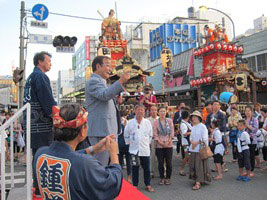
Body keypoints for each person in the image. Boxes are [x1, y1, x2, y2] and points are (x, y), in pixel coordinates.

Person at [33, 104, 122, 200]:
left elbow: (68, 157)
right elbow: (112, 184)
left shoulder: (40, 154)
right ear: (82, 131)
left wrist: (94, 149)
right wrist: (113, 153)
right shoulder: (84, 163)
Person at [23, 51, 57, 196]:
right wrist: (55, 115)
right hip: (40, 123)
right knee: (43, 154)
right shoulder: (40, 76)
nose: (50, 63)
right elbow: (47, 100)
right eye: (48, 61)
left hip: (31, 122)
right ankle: (42, 187)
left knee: (37, 154)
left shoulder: (31, 77)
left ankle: (38, 187)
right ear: (40, 62)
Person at [85, 56, 130, 166]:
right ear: (98, 66)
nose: (110, 69)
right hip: (101, 131)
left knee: (107, 164)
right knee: (101, 165)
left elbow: (104, 99)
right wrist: (120, 81)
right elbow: (104, 95)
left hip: (106, 130)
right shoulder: (93, 81)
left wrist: (116, 101)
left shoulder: (102, 82)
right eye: (107, 65)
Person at [124, 104, 154, 192]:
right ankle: (135, 185)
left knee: (147, 168)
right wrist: (131, 143)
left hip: (145, 149)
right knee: (135, 167)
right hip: (134, 150)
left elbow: (150, 135)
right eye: (138, 110)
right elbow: (126, 135)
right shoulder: (130, 123)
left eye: (142, 110)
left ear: (144, 112)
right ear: (135, 111)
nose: (140, 111)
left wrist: (146, 143)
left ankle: (148, 184)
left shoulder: (147, 122)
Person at [189, 110, 211, 190]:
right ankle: (197, 179)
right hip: (193, 148)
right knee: (194, 164)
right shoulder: (193, 126)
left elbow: (205, 138)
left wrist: (196, 143)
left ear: (199, 118)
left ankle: (198, 181)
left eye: (195, 117)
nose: (194, 118)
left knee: (199, 165)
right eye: (193, 117)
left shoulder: (202, 126)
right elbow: (191, 137)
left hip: (199, 148)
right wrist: (192, 142)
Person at [153, 107, 174, 185]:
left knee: (169, 162)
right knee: (160, 162)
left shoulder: (169, 121)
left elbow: (172, 132)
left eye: (164, 111)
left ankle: (168, 177)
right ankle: (162, 177)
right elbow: (155, 134)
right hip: (159, 145)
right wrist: (160, 142)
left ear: (166, 112)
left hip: (169, 144)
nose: (162, 113)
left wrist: (168, 141)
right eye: (161, 111)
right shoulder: (156, 122)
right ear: (158, 113)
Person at [244, 106, 259, 176]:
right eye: (246, 111)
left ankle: (251, 170)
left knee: (251, 155)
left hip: (252, 140)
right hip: (244, 140)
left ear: (251, 112)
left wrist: (247, 125)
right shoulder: (243, 119)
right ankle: (247, 170)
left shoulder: (255, 119)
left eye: (249, 111)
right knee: (245, 155)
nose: (247, 112)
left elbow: (255, 130)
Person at [118, 111, 132, 183]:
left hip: (127, 146)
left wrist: (126, 126)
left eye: (124, 116)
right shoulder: (116, 124)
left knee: (129, 162)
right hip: (119, 146)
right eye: (121, 117)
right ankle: (120, 178)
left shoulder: (128, 123)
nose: (122, 118)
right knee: (119, 163)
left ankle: (129, 177)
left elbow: (131, 133)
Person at [179, 110, 192, 176]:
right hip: (186, 142)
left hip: (187, 142)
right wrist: (191, 132)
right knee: (187, 156)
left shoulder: (186, 123)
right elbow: (184, 134)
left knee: (188, 156)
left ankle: (190, 170)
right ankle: (182, 169)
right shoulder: (184, 124)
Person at [147, 105, 159, 178]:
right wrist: (148, 141)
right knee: (152, 156)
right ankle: (151, 171)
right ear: (150, 111)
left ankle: (163, 170)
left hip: (161, 139)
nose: (153, 111)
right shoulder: (147, 120)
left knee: (162, 156)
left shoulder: (160, 119)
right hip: (152, 139)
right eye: (152, 110)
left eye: (155, 110)